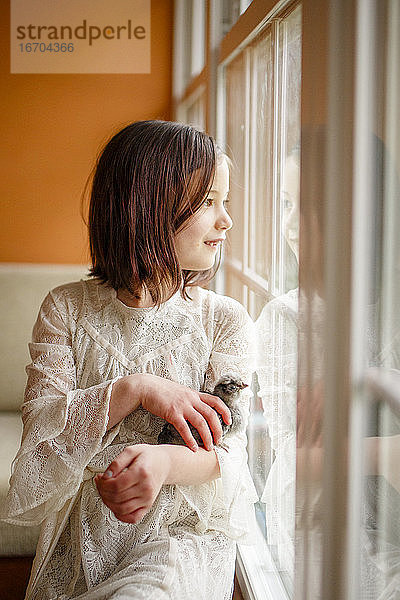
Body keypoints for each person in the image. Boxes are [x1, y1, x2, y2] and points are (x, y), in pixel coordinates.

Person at [1, 120, 258, 600]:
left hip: (181, 540)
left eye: (225, 201)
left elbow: (230, 455)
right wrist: (134, 389)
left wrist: (163, 462)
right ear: (148, 206)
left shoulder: (224, 320)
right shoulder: (66, 310)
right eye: (207, 202)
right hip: (88, 538)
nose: (225, 221)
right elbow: (40, 444)